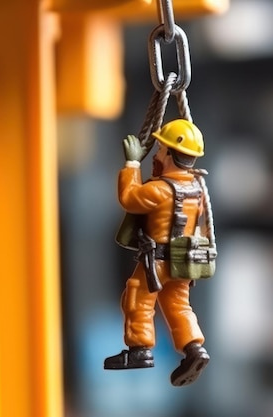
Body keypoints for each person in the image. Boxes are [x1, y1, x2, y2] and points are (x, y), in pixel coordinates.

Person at [104, 119, 211, 387]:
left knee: (138, 295)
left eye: (161, 150)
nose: (157, 154)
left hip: (160, 260)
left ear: (171, 155)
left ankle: (139, 349)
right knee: (178, 305)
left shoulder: (160, 189)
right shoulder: (197, 189)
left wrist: (132, 164)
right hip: (183, 261)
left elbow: (129, 197)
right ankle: (194, 347)